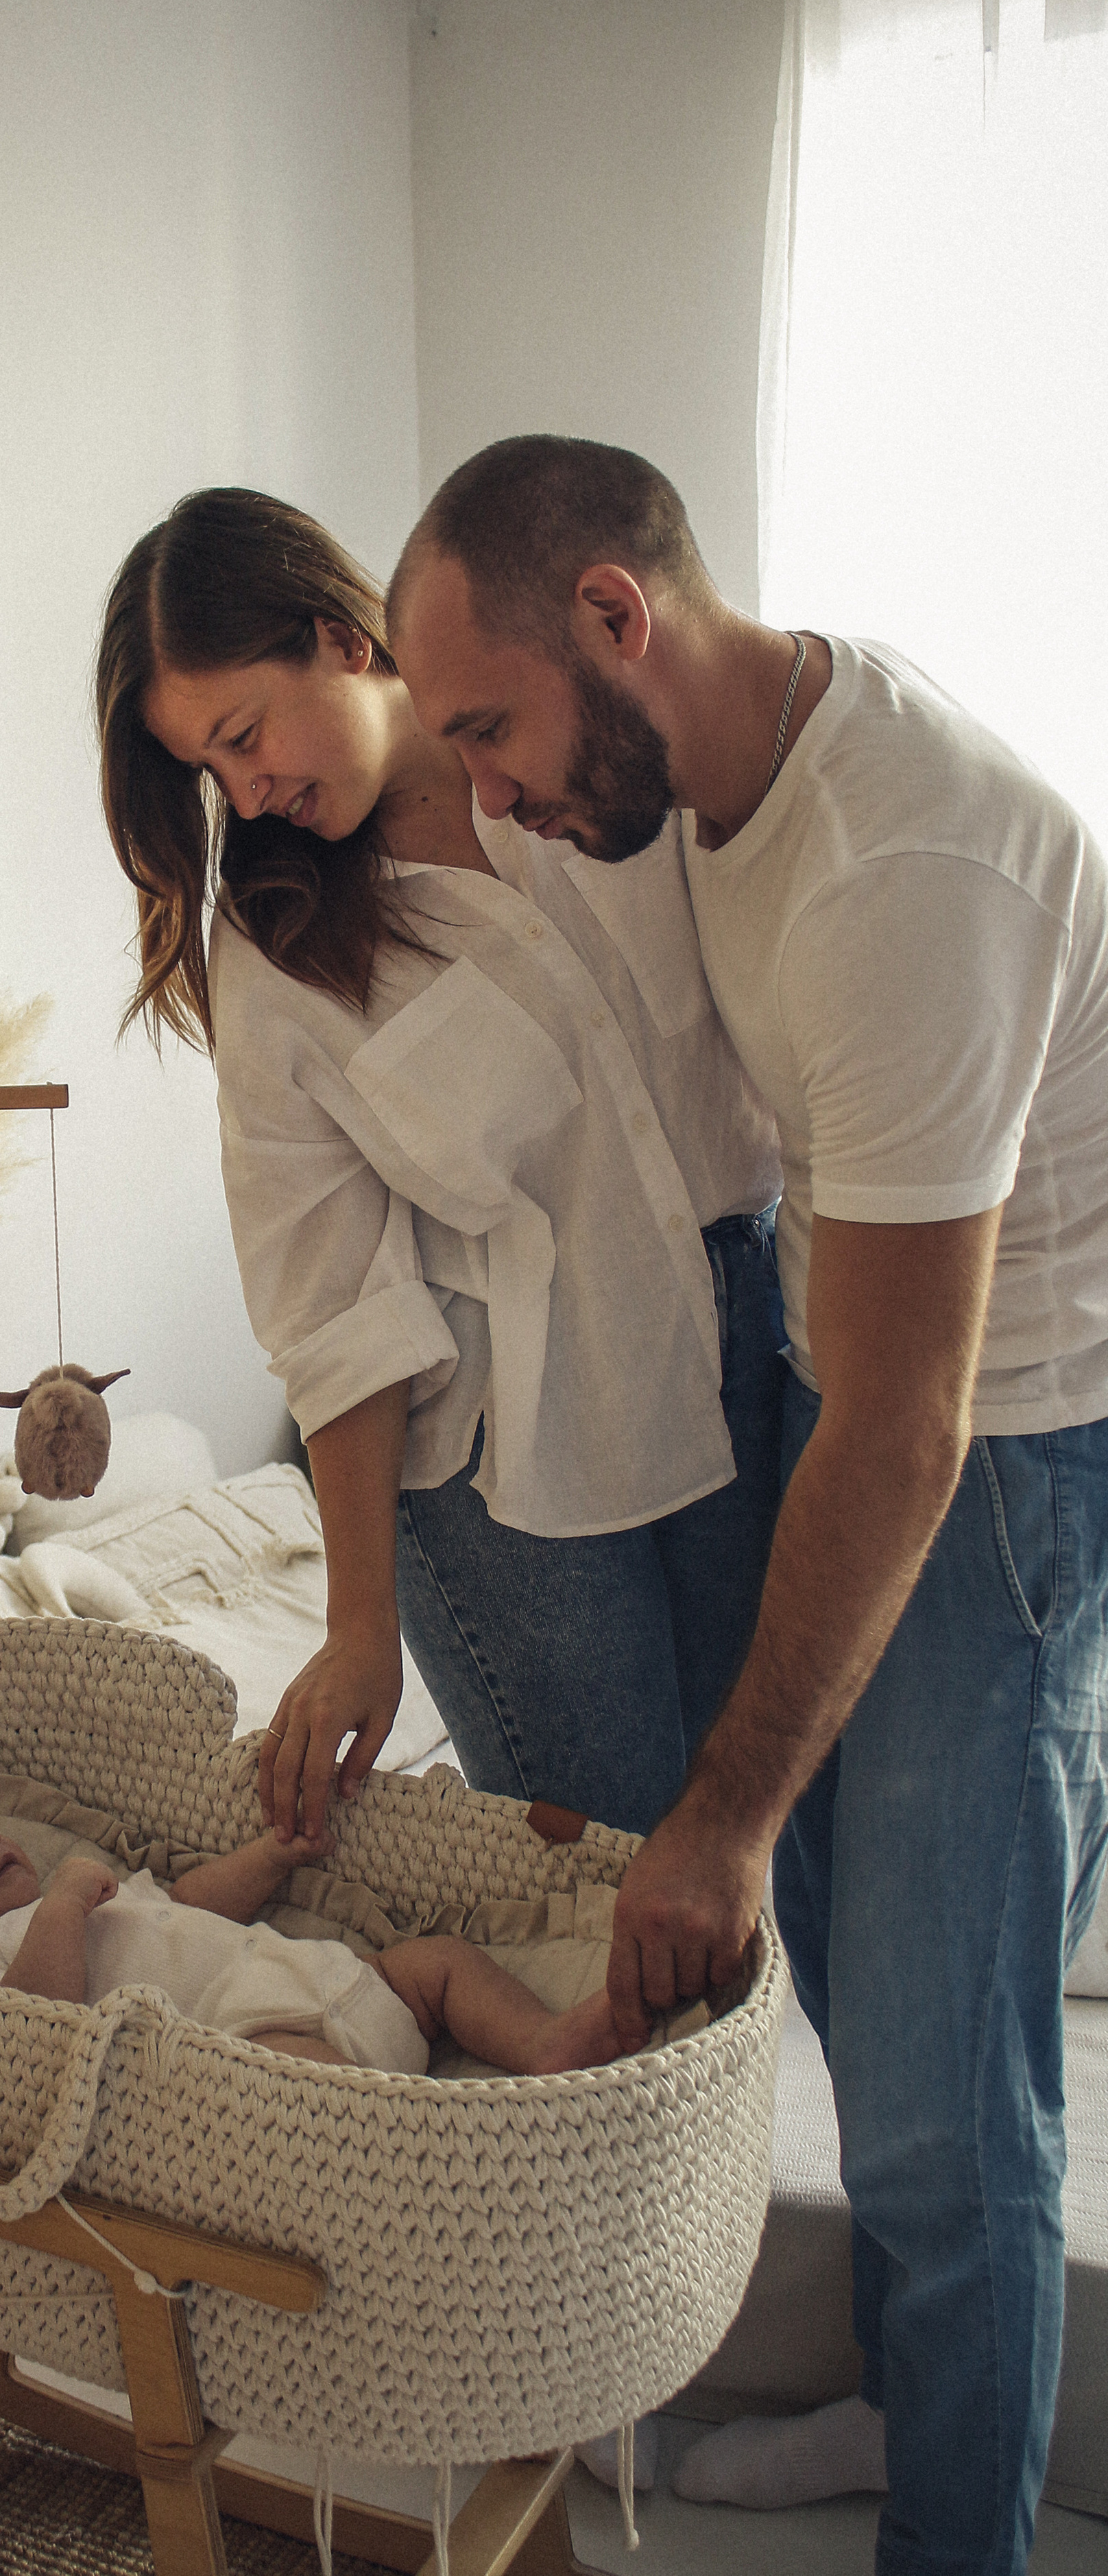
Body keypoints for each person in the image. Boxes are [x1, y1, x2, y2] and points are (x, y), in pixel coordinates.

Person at [387, 434, 1108, 2574]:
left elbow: (911, 1425)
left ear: (618, 618)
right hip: (846, 1379)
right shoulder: (704, 775)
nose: (487, 790)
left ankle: (954, 2534)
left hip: (997, 1454)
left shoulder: (906, 870)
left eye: (489, 730)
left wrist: (719, 1817)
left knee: (943, 2093)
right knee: (865, 1990)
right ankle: (904, 2404)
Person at [94, 488, 784, 1848]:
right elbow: (332, 1307)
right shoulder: (279, 949)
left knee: (755, 1843)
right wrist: (361, 1625)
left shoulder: (591, 750)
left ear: (339, 639)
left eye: (245, 735)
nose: (247, 795)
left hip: (744, 1347)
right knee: (601, 1878)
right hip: (506, 1461)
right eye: (210, 772)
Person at [0, 1796, 622, 2075]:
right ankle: (429, 2142)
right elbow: (33, 2032)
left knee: (441, 1963)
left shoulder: (93, 1893)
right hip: (258, 2032)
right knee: (294, 2082)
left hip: (347, 1981)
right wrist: (62, 1908)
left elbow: (189, 1903)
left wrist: (269, 1857)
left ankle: (540, 2043)